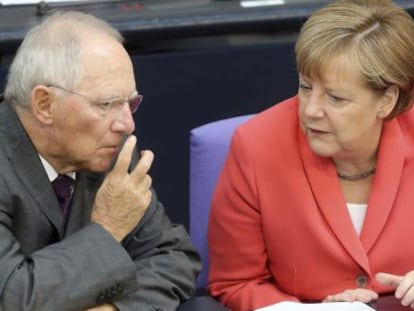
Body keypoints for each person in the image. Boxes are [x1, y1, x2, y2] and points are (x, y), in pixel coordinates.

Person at [207, 0, 414, 310]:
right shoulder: (256, 146)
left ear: (386, 100)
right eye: (306, 87)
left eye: (335, 97)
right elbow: (236, 283)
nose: (311, 111)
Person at [0, 10, 201, 311]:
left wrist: (114, 309)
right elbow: (12, 297)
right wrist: (107, 230)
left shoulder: (112, 150)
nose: (127, 125)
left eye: (130, 103)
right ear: (44, 105)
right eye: (107, 104)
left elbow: (173, 257)